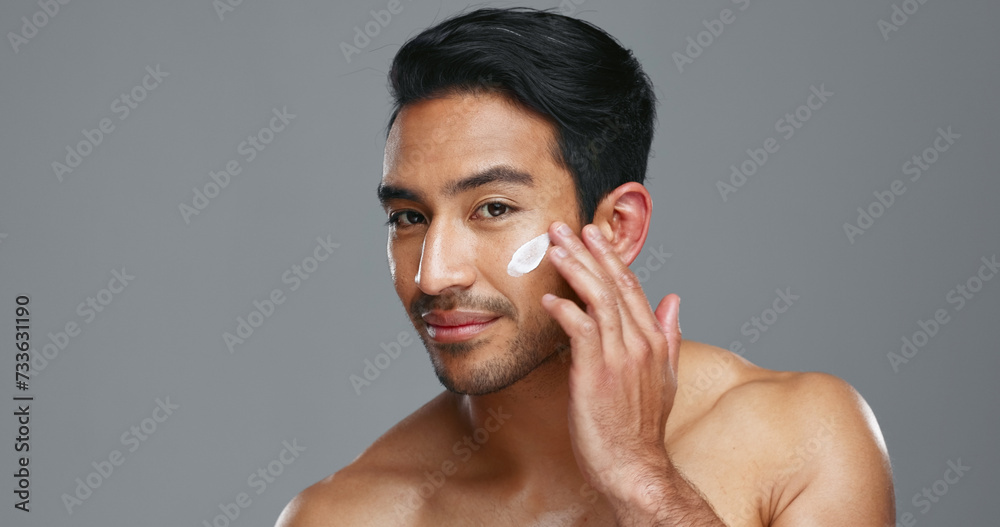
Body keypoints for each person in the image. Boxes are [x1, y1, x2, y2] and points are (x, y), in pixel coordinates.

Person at [277, 7, 894, 526]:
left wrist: (641, 478)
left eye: (493, 208)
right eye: (409, 217)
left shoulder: (802, 438)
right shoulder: (346, 514)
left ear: (617, 227)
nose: (434, 277)